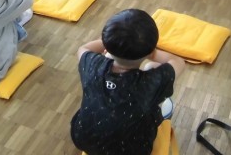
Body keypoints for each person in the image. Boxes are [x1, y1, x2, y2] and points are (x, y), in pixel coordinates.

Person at [70, 8, 185, 155]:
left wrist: (110, 43)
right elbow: (178, 62)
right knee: (152, 69)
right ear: (150, 51)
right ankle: (163, 116)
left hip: (83, 139)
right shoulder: (150, 83)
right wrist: (153, 54)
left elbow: (83, 48)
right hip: (132, 150)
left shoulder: (92, 64)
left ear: (106, 44)